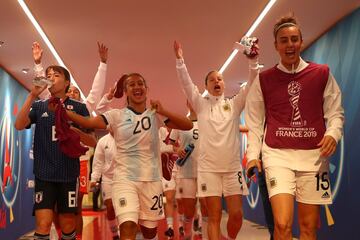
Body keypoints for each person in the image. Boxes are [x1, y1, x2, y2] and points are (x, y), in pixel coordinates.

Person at [245, 15, 344, 240]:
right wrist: (253, 156)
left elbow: (335, 112)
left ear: (300, 41)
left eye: (294, 39)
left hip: (314, 158)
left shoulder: (321, 73)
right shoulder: (264, 80)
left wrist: (333, 134)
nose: (289, 45)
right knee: (282, 224)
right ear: (276, 45)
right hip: (277, 155)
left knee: (308, 227)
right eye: (284, 40)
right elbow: (254, 123)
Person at [61, 73, 193, 240]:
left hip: (151, 181)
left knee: (149, 232)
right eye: (132, 85)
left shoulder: (155, 114)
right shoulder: (116, 115)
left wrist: (163, 110)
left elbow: (187, 125)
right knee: (128, 226)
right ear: (125, 91)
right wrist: (64, 112)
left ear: (146, 89)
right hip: (124, 180)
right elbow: (88, 123)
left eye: (140, 83)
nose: (137, 87)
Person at [173, 41, 258, 240]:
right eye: (212, 79)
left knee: (236, 215)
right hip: (208, 169)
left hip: (232, 169)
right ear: (206, 86)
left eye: (220, 78)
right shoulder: (201, 105)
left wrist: (253, 62)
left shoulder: (234, 104)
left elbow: (252, 83)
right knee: (214, 216)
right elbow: (186, 84)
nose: (217, 81)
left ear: (224, 84)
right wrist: (180, 61)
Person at [15, 63, 91, 240]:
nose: (51, 77)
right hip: (44, 173)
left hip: (68, 173)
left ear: (66, 83)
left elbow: (92, 140)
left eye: (56, 75)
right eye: (48, 75)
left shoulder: (79, 108)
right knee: (43, 224)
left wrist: (76, 131)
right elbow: (19, 125)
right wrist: (32, 95)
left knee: (67, 224)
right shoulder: (40, 106)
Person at [169, 101, 207, 240]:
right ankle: (187, 235)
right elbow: (171, 144)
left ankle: (203, 231)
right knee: (189, 210)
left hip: (205, 171)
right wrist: (177, 150)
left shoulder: (207, 121)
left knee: (205, 205)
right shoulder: (181, 122)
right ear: (187, 103)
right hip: (186, 171)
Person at [91, 130, 120, 240]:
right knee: (110, 206)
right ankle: (114, 235)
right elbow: (98, 162)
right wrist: (94, 179)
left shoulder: (125, 138)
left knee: (123, 207)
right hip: (108, 178)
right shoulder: (103, 141)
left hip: (124, 178)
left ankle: (124, 232)